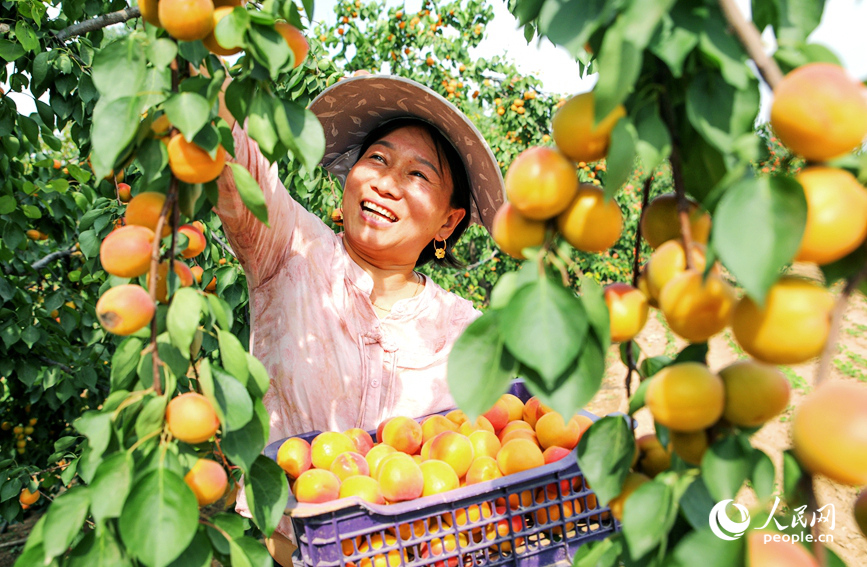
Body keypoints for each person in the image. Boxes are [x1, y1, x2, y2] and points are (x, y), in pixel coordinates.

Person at [214, 74, 505, 565]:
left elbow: (484, 474)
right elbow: (229, 149)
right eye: (377, 159)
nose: (387, 183)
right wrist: (202, 35)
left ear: (448, 222)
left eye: (418, 175)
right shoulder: (292, 251)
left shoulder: (467, 332)